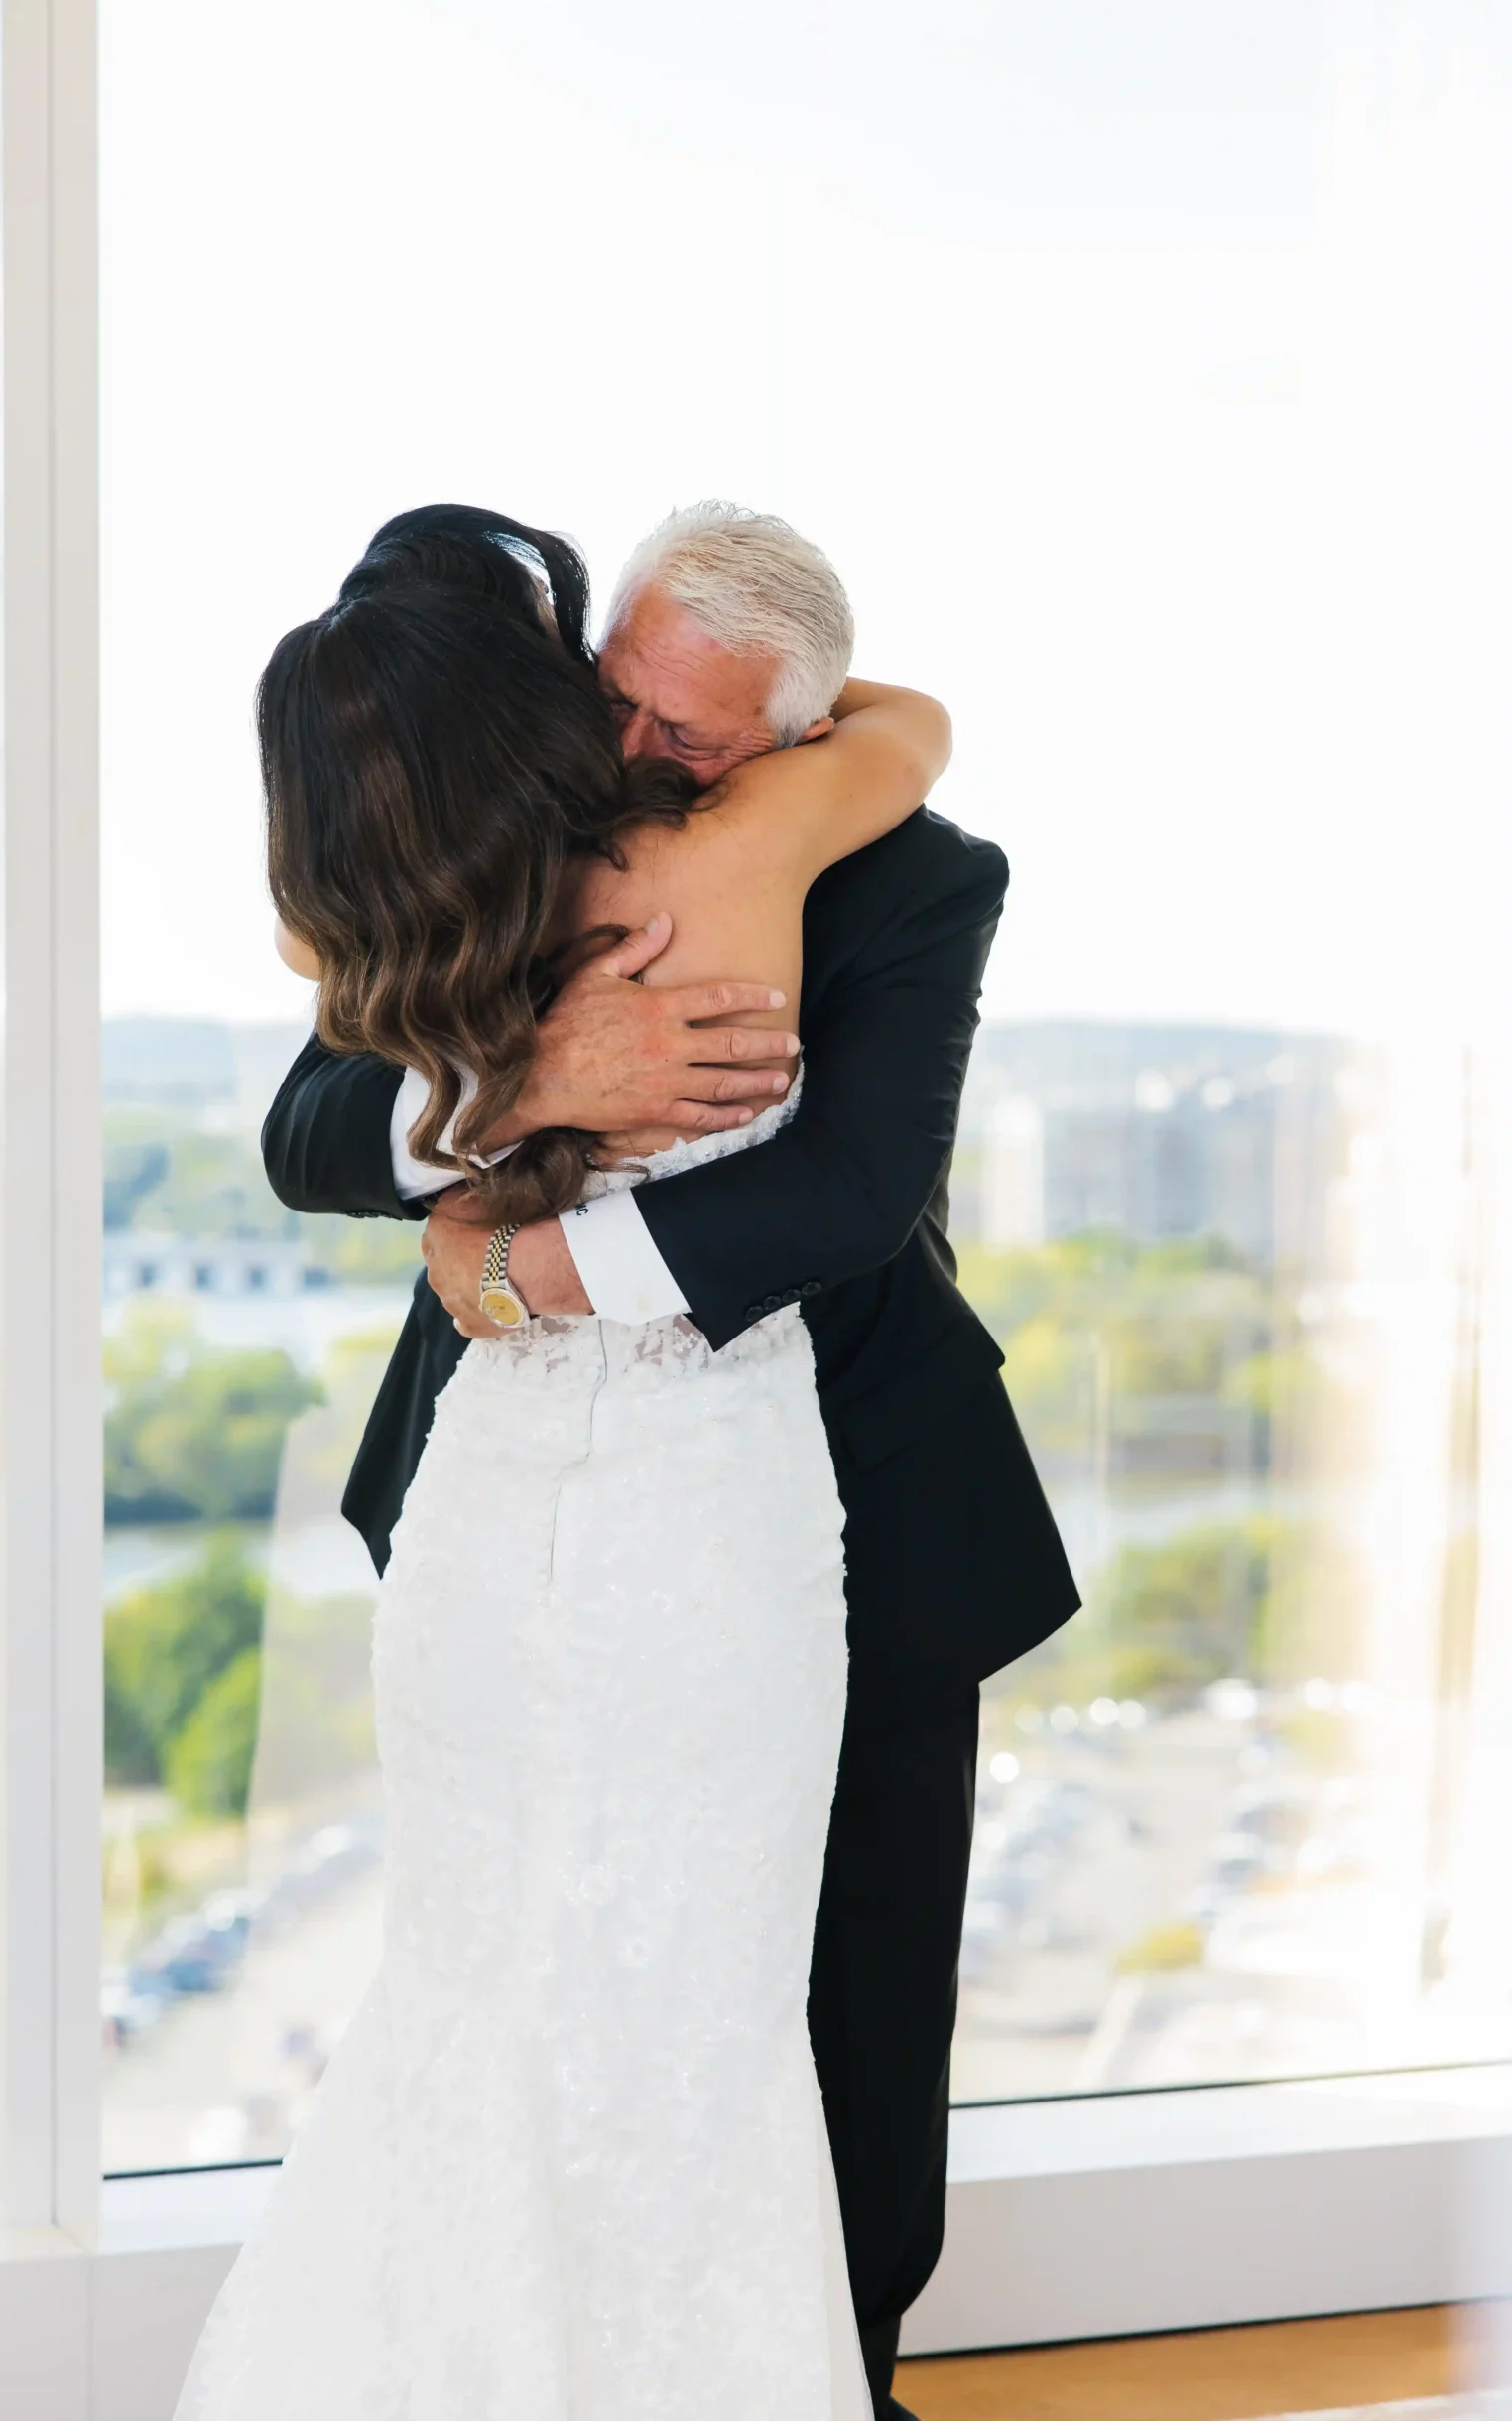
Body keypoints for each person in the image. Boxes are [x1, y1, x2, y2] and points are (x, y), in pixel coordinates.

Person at [251, 504, 1079, 2418]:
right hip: (513, 1510)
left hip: (852, 1505)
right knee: (520, 1962)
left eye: (683, 738)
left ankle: (837, 2378)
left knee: (856, 2003)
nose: (625, 755)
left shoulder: (915, 873)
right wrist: (532, 1078)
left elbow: (852, 1190)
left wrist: (528, 1272)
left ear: (794, 739)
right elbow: (308, 1130)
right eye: (611, 699)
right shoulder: (508, 809)